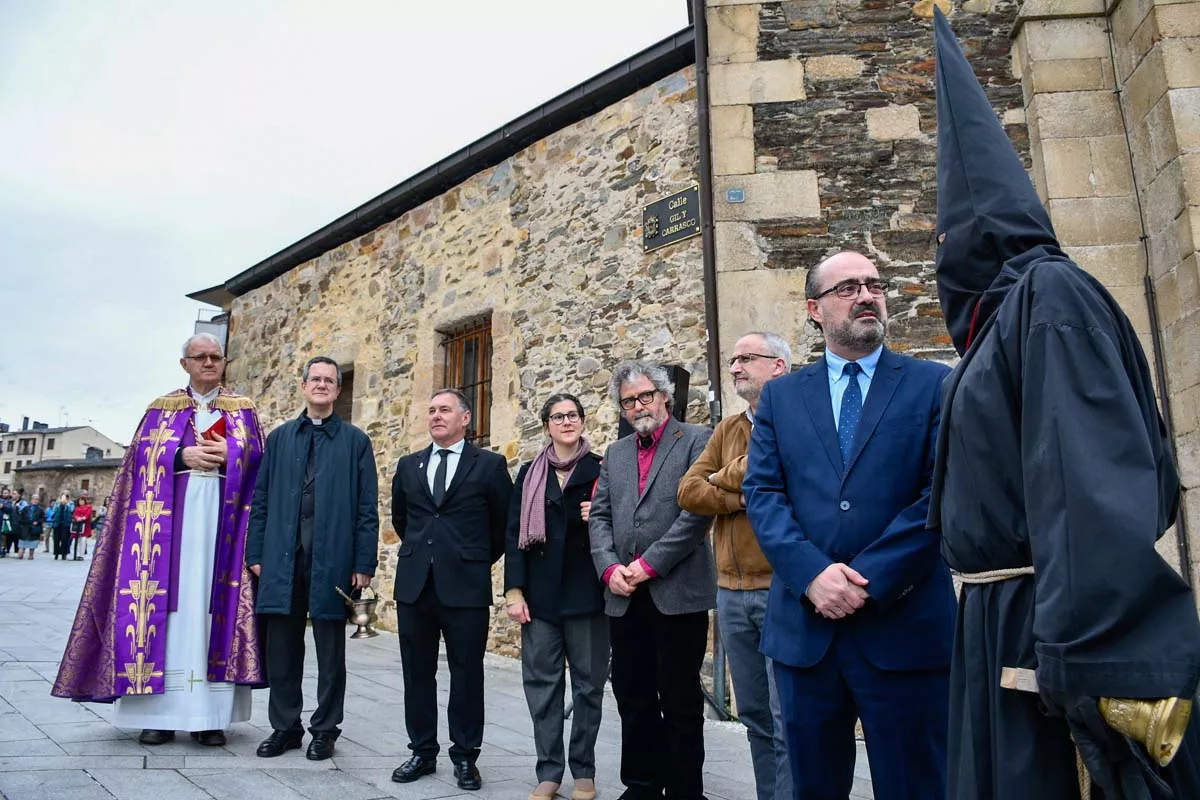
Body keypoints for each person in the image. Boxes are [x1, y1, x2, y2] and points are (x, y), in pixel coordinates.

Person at [926, 11, 1200, 799]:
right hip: (994, 622)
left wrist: (1090, 659)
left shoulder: (1049, 299)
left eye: (949, 235)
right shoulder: (994, 330)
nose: (942, 253)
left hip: (1042, 629)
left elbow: (1091, 487)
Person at [743, 251, 955, 800]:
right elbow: (763, 493)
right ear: (815, 309)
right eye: (847, 288)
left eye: (874, 284)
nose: (866, 295)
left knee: (917, 785)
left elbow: (941, 492)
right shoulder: (783, 397)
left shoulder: (933, 385)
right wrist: (812, 575)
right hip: (806, 633)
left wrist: (867, 580)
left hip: (905, 626)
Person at [52, 332, 266, 750]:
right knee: (164, 611)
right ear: (184, 363)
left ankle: (210, 719)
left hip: (222, 530)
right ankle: (156, 717)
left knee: (210, 612)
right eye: (199, 357)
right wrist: (178, 456)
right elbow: (135, 461)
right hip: (167, 532)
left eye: (215, 357)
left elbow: (260, 457)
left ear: (224, 362)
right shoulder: (160, 408)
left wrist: (232, 454)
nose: (208, 363)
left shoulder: (243, 410)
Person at [588, 360, 715, 800]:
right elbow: (600, 517)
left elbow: (696, 515)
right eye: (628, 401)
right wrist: (609, 570)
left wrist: (648, 566)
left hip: (676, 592)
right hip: (623, 595)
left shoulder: (698, 440)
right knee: (631, 694)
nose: (638, 406)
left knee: (679, 699)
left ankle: (684, 791)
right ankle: (641, 785)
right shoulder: (616, 454)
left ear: (665, 397)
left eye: (645, 396)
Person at [246, 356, 379, 761]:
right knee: (282, 649)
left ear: (338, 391)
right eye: (315, 379)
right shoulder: (281, 438)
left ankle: (325, 729)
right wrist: (255, 552)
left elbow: (366, 507)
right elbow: (262, 498)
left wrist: (364, 563)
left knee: (330, 652)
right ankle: (285, 727)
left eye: (329, 381)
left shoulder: (356, 441)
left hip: (333, 560)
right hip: (281, 558)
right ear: (303, 387)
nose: (321, 385)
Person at [678, 332, 793, 800]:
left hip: (782, 586)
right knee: (756, 717)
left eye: (747, 358)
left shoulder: (797, 416)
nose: (735, 367)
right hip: (731, 591)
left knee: (789, 716)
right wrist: (744, 495)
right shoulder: (726, 429)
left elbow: (777, 469)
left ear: (778, 366)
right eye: (733, 360)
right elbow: (688, 491)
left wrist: (725, 480)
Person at [389, 388, 514, 790]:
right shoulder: (409, 466)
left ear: (466, 419)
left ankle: (465, 756)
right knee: (417, 673)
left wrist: (468, 559)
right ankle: (422, 752)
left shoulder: (490, 465)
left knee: (466, 674)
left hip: (466, 587)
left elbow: (502, 528)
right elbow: (403, 519)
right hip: (415, 587)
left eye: (445, 409)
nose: (436, 416)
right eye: (431, 410)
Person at [504, 392, 607, 800]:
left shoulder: (603, 469)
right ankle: (549, 770)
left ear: (582, 421)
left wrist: (601, 514)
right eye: (558, 416)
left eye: (573, 415)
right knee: (542, 686)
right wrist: (514, 591)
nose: (567, 421)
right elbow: (515, 534)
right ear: (547, 425)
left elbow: (623, 524)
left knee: (588, 687)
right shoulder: (530, 473)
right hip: (541, 598)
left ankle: (584, 770)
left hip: (588, 597)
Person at [17, 493, 45, 559]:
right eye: (34, 499)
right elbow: (21, 517)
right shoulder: (26, 508)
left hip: (34, 528)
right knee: (22, 543)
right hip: (25, 527)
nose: (35, 500)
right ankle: (21, 554)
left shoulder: (40, 509)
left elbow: (43, 518)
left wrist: (37, 522)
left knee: (32, 543)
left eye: (37, 499)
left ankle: (31, 555)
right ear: (31, 500)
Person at [50, 492, 74, 560]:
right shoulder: (57, 503)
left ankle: (64, 553)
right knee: (56, 539)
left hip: (66, 524)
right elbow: (54, 511)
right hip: (57, 523)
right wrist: (59, 504)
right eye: (63, 495)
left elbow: (71, 510)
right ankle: (56, 553)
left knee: (64, 539)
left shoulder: (71, 503)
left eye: (66, 495)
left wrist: (67, 504)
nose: (64, 497)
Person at [71, 492, 94, 561]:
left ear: (84, 501)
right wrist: (77, 518)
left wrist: (83, 518)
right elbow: (74, 514)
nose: (81, 502)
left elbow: (88, 514)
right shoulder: (77, 508)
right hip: (77, 526)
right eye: (80, 501)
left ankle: (81, 555)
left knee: (83, 540)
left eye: (82, 500)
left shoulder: (89, 507)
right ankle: (76, 554)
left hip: (85, 525)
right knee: (76, 540)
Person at [0, 487, 15, 557]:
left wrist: (3, 506)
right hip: (1, 520)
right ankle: (2, 549)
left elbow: (10, 509)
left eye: (6, 493)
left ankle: (4, 549)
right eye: (3, 493)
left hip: (7, 521)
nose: (4, 494)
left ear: (9, 493)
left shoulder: (11, 501)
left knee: (6, 536)